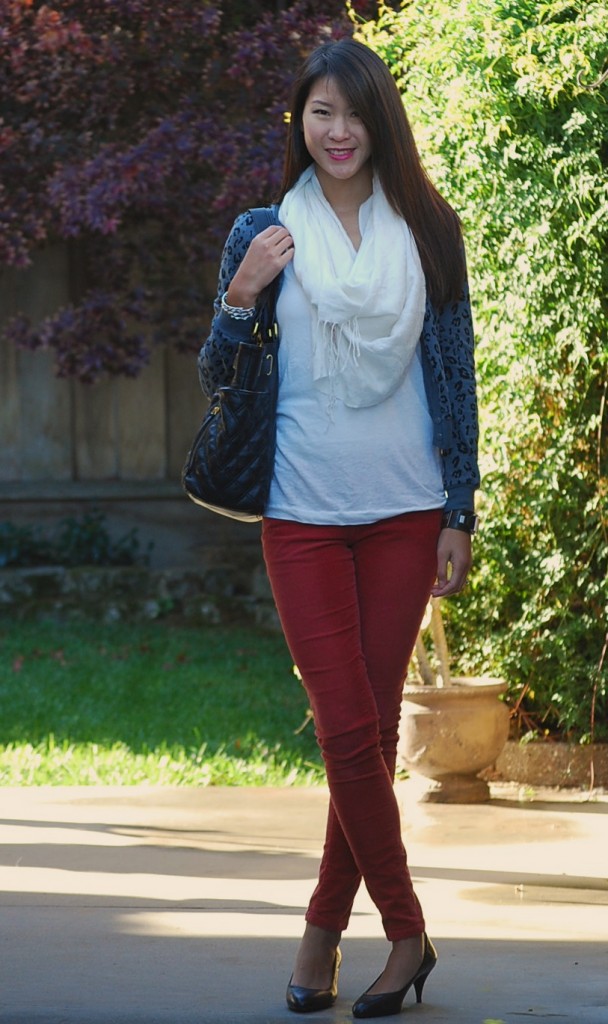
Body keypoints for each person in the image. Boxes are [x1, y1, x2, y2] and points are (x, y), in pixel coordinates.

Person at [198, 36, 479, 1019]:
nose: (338, 131)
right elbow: (217, 379)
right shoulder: (263, 231)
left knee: (361, 732)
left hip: (405, 514)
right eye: (321, 113)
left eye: (354, 113)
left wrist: (458, 511)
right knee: (344, 726)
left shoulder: (428, 231)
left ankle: (321, 930)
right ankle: (405, 932)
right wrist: (239, 299)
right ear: (299, 123)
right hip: (302, 516)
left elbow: (453, 380)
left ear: (379, 122)